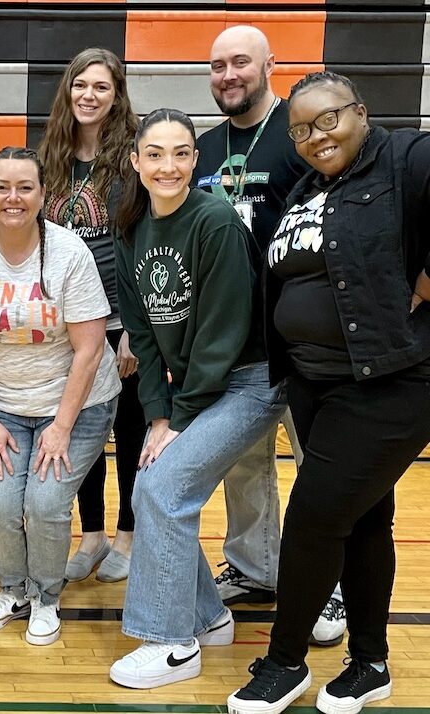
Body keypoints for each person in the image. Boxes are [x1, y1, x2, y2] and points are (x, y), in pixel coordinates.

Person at [228, 71, 430, 714]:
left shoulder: (406, 157)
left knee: (313, 518)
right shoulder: (309, 189)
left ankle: (284, 662)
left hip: (388, 381)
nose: (316, 137)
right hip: (315, 383)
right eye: (300, 130)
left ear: (360, 112)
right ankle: (370, 663)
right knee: (363, 518)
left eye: (327, 120)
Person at [106, 109, 286, 689]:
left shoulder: (215, 222)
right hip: (193, 387)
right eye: (155, 154)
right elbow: (142, 334)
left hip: (250, 381)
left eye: (181, 153)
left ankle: (171, 643)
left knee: (163, 489)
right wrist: (158, 415)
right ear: (135, 162)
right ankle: (208, 618)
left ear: (195, 160)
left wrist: (178, 419)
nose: (169, 166)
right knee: (153, 487)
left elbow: (220, 337)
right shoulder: (131, 226)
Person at [0, 147, 120, 645]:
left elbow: (89, 350)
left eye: (25, 187)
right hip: (4, 405)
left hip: (78, 403)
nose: (13, 197)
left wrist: (61, 428)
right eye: (2, 187)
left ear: (43, 195)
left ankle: (45, 595)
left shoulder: (70, 253)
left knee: (45, 504)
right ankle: (13, 589)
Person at [192, 25, 314, 614]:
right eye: (217, 66)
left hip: (306, 336)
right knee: (244, 464)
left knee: (319, 466)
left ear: (270, 65)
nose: (228, 75)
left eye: (240, 62)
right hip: (238, 340)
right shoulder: (204, 147)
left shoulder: (300, 133)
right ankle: (254, 569)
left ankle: (329, 587)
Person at [38, 48, 144, 584]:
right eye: (80, 84)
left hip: (121, 319)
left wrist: (136, 329)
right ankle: (94, 534)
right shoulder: (52, 156)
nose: (89, 95)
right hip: (70, 321)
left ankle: (128, 534)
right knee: (82, 430)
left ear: (117, 95)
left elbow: (145, 240)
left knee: (129, 430)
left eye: (101, 86)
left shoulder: (133, 156)